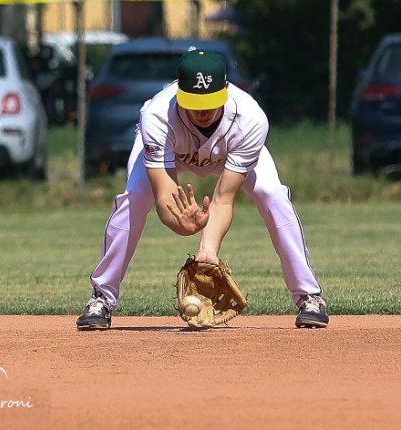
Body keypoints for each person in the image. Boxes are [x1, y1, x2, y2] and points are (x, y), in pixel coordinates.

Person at [76, 48, 329, 330]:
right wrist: (180, 225)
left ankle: (309, 296)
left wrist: (207, 251)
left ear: (226, 88)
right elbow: (163, 196)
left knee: (272, 193)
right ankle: (101, 298)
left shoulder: (250, 119)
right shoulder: (157, 116)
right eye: (194, 102)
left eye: (210, 100)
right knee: (134, 197)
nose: (203, 110)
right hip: (173, 150)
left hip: (230, 151)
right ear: (178, 94)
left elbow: (223, 198)